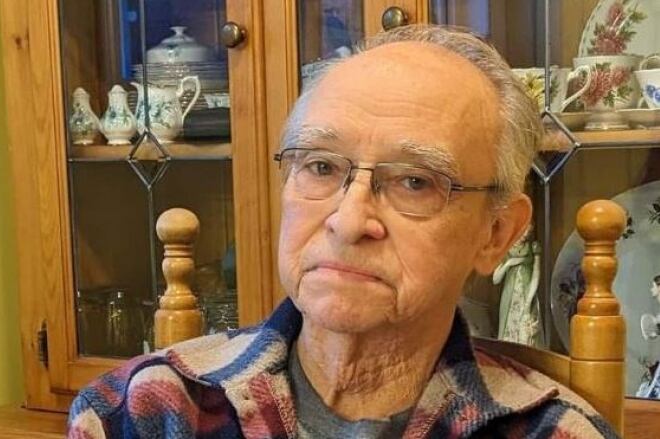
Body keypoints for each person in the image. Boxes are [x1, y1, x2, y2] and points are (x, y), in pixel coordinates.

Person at [67, 25, 619, 439]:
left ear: (497, 233)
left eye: (414, 181)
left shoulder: (554, 433)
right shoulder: (144, 411)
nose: (349, 221)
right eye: (322, 167)